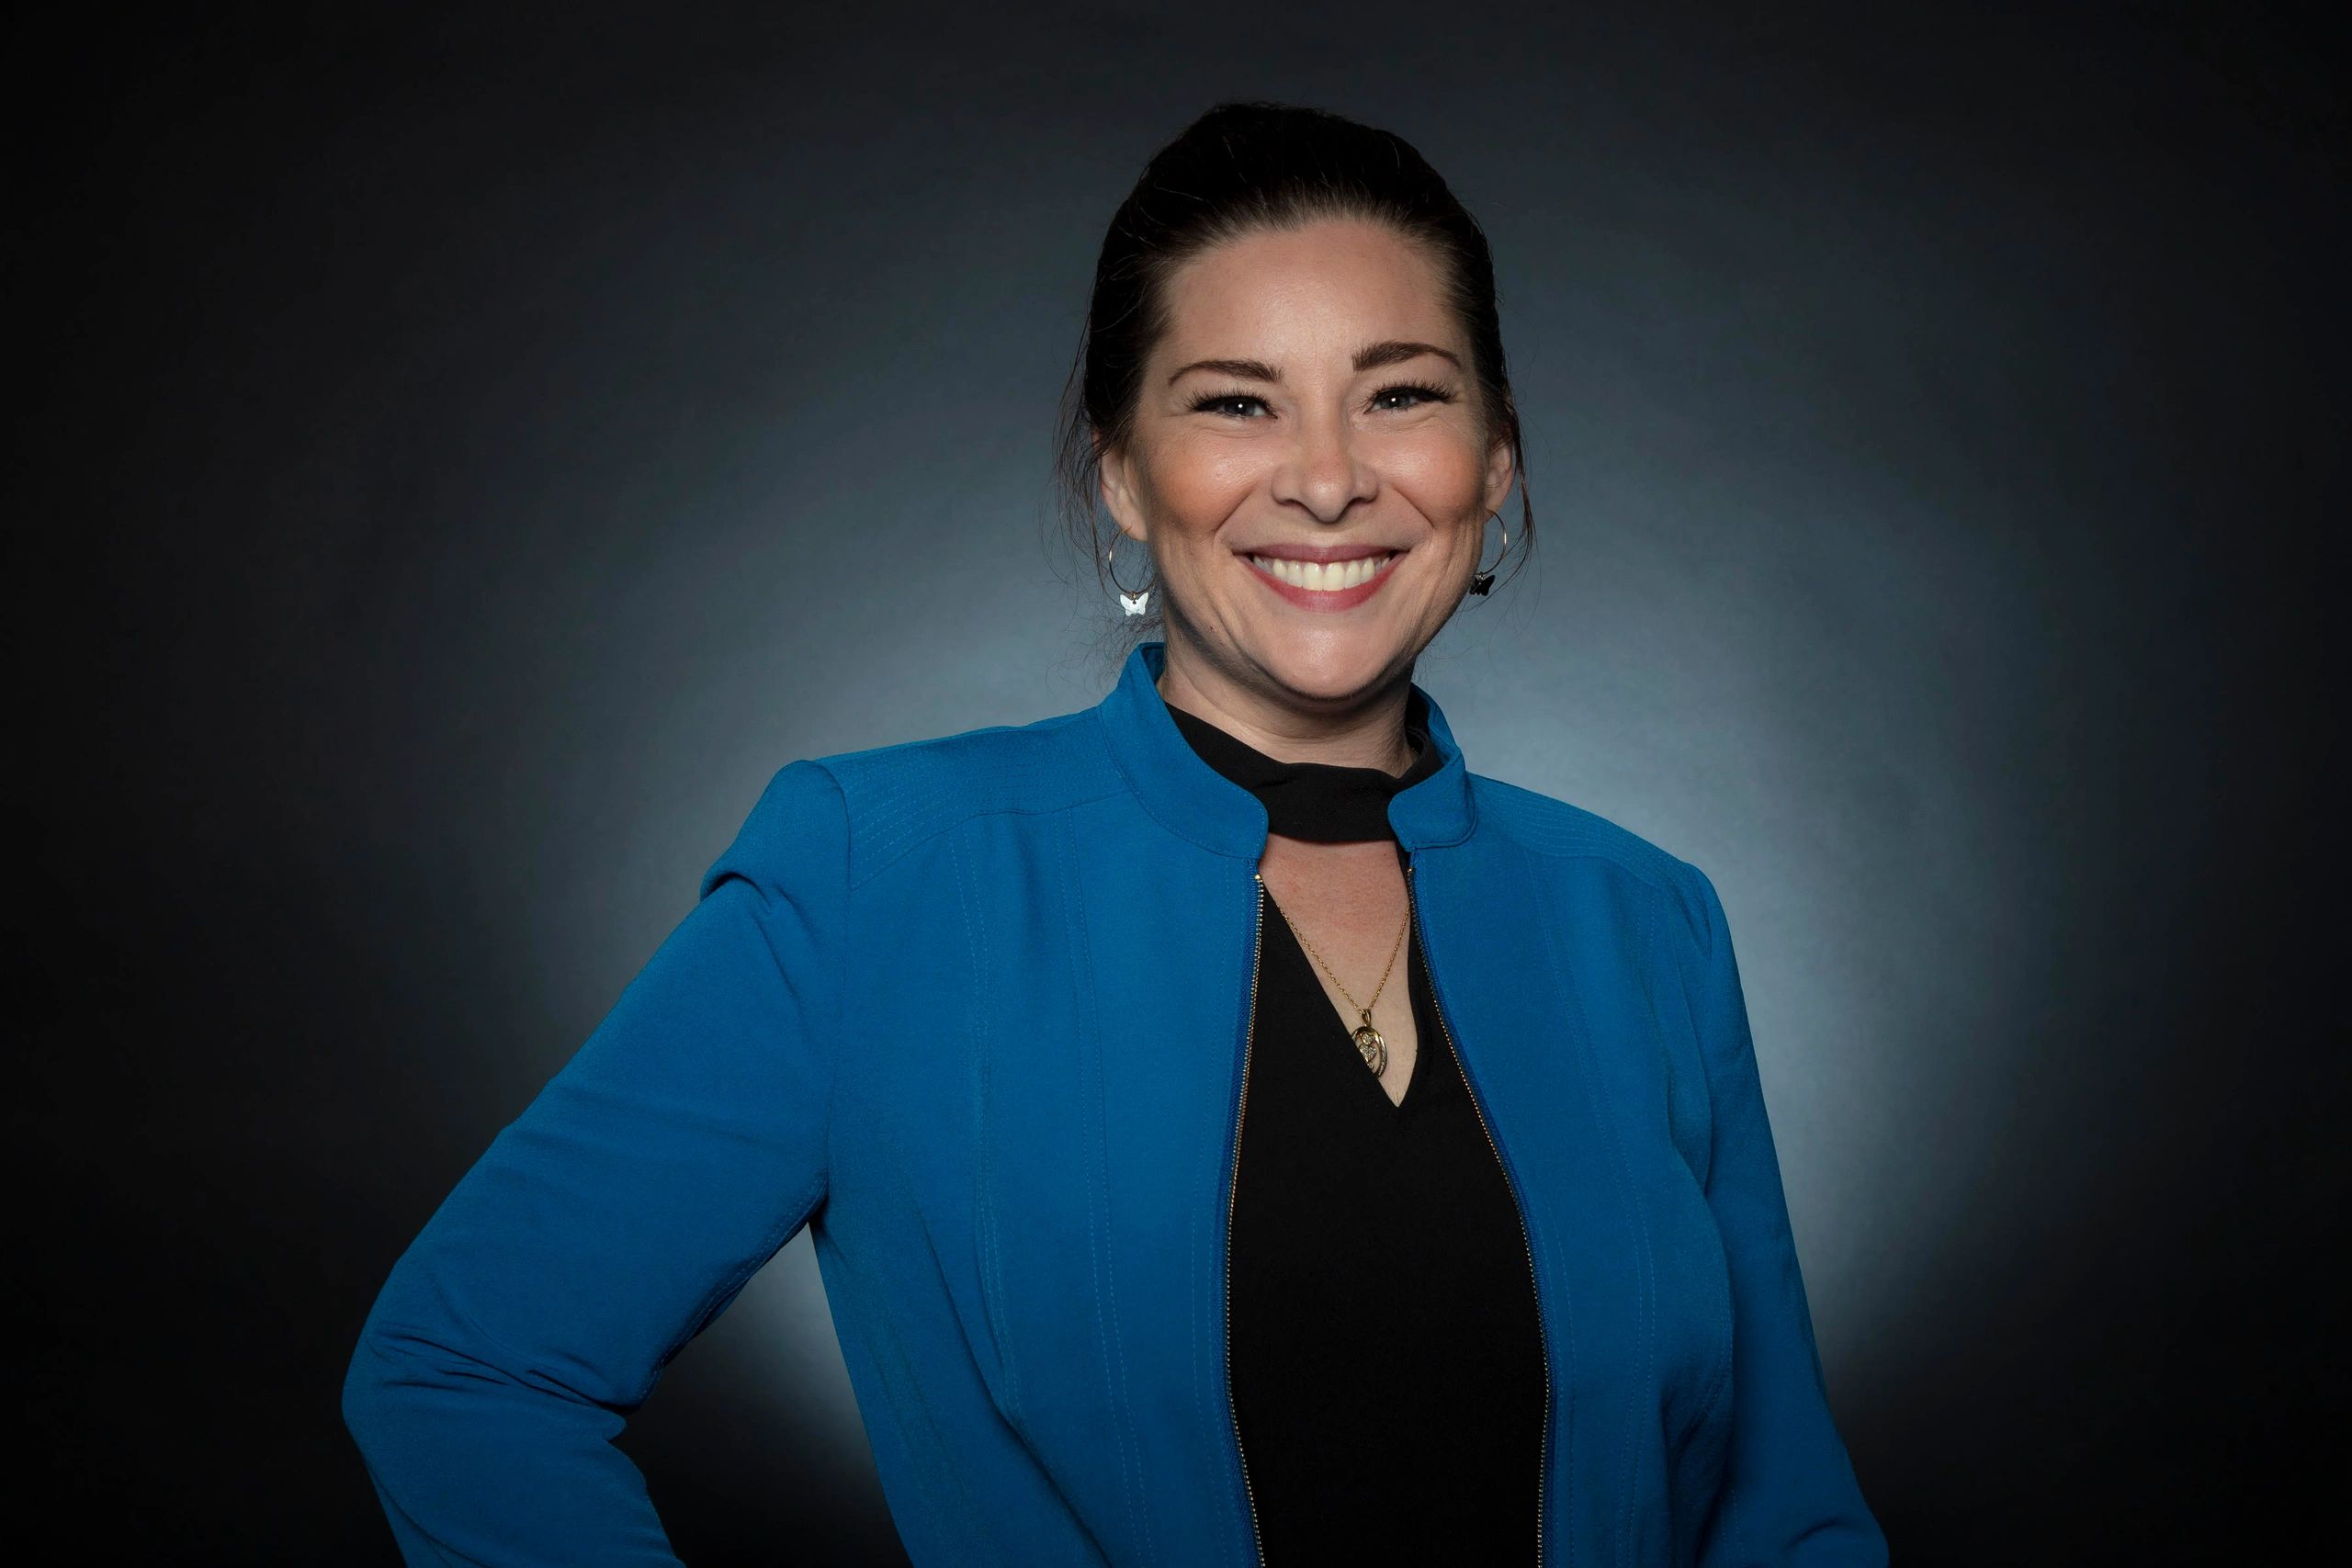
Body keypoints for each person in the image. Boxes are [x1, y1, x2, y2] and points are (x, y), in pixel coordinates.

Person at [343, 99, 1887, 1566]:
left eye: (1401, 394)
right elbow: (465, 1373)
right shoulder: (878, 875)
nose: (1329, 479)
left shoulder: (1648, 921)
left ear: (1495, 459)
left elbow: (1784, 1519)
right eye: (1236, 403)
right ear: (1125, 476)